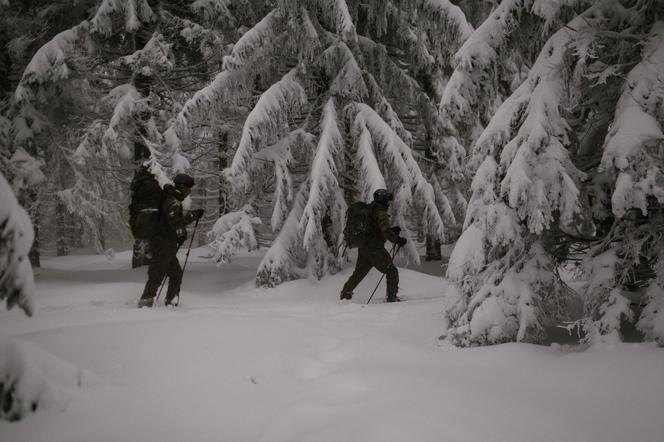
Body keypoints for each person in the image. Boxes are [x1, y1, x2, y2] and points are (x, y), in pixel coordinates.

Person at [138, 173, 204, 308]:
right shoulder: (172, 202)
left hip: (164, 244)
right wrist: (193, 215)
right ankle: (145, 303)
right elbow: (176, 223)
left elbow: (171, 224)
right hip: (163, 245)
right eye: (188, 189)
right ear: (182, 187)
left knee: (175, 274)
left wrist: (180, 235)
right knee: (157, 274)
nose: (188, 193)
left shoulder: (170, 199)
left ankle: (171, 302)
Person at [340, 189, 407, 303]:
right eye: (388, 200)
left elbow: (376, 229)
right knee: (391, 271)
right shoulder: (380, 212)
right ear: (384, 200)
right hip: (375, 249)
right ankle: (392, 297)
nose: (389, 203)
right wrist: (398, 240)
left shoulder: (371, 209)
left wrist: (392, 230)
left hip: (364, 247)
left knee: (359, 273)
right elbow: (385, 231)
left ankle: (346, 293)